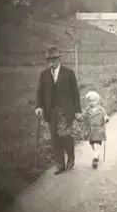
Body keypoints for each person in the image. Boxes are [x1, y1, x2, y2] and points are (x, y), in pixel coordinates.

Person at [35, 46, 82, 175]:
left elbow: (75, 93)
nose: (51, 64)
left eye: (53, 61)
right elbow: (39, 92)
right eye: (48, 61)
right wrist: (39, 107)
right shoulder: (44, 74)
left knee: (65, 135)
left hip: (66, 110)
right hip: (51, 110)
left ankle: (71, 157)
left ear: (58, 60)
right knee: (55, 137)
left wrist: (78, 110)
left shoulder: (69, 73)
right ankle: (59, 164)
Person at [77, 90, 109, 168]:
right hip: (90, 130)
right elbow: (83, 117)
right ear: (88, 102)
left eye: (94, 100)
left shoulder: (101, 110)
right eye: (90, 101)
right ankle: (96, 154)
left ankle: (95, 156)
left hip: (98, 129)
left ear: (97, 101)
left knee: (97, 143)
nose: (92, 102)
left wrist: (106, 119)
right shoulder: (87, 110)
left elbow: (105, 116)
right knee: (92, 143)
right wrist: (79, 117)